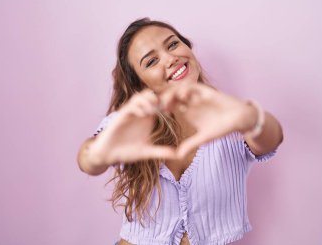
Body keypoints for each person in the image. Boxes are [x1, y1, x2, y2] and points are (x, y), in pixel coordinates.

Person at [77, 18, 283, 245]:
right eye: (151, 61)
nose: (170, 58)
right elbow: (88, 159)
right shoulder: (129, 126)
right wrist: (98, 153)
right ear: (141, 83)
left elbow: (272, 139)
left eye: (173, 45)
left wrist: (250, 118)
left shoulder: (231, 118)